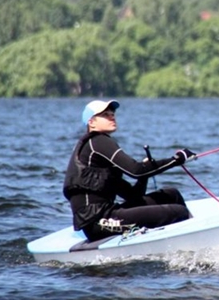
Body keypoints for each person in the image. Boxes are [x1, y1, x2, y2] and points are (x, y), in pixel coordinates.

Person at [63, 99, 196, 242]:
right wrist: (176, 159)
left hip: (108, 213)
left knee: (171, 195)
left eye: (112, 113)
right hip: (97, 221)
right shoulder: (98, 142)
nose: (112, 116)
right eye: (105, 115)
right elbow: (136, 170)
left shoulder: (98, 154)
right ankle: (188, 243)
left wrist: (144, 176)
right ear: (91, 122)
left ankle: (187, 238)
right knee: (179, 212)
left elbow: (133, 195)